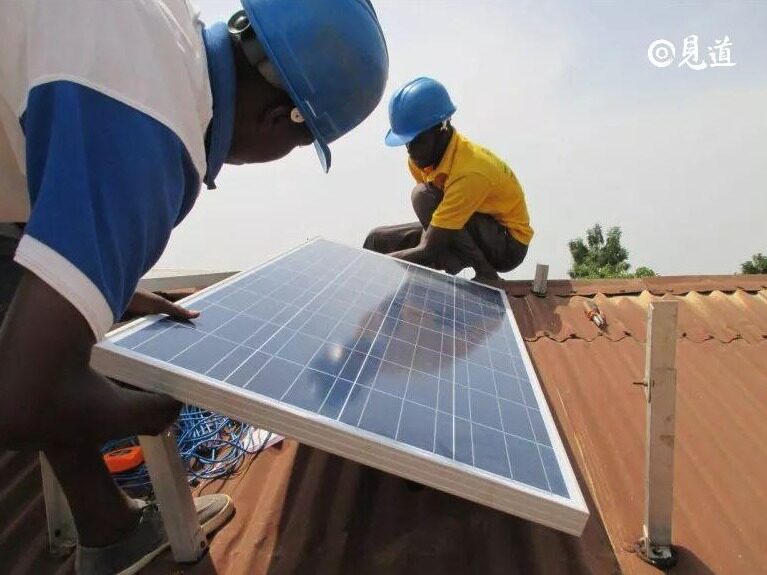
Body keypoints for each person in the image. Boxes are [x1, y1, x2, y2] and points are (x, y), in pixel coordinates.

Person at [0, 0, 388, 573]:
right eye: (299, 144)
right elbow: (20, 400)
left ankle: (112, 531)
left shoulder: (158, 30)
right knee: (53, 370)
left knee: (57, 340)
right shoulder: (150, 128)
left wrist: (108, 287)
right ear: (278, 120)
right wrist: (148, 411)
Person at [363, 77, 533, 283]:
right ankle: (445, 260)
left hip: (506, 245)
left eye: (417, 140)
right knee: (377, 240)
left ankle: (487, 274)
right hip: (465, 223)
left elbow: (428, 248)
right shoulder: (419, 160)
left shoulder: (471, 171)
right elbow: (436, 219)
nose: (410, 150)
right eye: (406, 142)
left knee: (422, 196)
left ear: (442, 128)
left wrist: (365, 266)